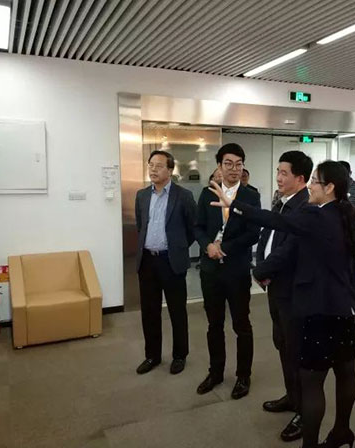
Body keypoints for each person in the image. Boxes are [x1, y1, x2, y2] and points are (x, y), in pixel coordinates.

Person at [209, 160, 355, 448]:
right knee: (345, 373)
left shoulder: (317, 215)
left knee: (312, 383)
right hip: (347, 310)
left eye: (315, 181)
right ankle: (342, 431)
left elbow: (276, 221)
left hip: (320, 311)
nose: (311, 186)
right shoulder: (346, 213)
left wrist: (235, 205)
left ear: (330, 187)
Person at [194, 143, 261, 400]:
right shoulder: (206, 193)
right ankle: (216, 372)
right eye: (228, 164)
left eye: (239, 164)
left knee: (241, 324)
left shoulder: (250, 196)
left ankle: (243, 376)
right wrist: (208, 245)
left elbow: (253, 233)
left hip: (237, 269)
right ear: (219, 166)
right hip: (210, 270)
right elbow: (198, 227)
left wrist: (224, 248)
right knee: (214, 324)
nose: (234, 169)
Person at [255, 151, 313, 443]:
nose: (278, 177)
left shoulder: (305, 208)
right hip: (276, 288)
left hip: (293, 292)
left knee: (297, 351)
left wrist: (261, 270)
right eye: (277, 171)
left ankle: (305, 411)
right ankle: (292, 397)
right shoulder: (282, 202)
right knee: (282, 344)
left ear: (300, 178)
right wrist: (262, 267)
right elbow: (267, 238)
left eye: (284, 173)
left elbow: (289, 250)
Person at [134, 150, 197, 375]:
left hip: (171, 261)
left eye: (159, 166)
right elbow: (141, 225)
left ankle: (180, 355)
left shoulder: (184, 196)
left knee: (177, 311)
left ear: (170, 170)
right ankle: (152, 355)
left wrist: (178, 248)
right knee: (149, 312)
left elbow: (192, 229)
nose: (153, 169)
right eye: (151, 165)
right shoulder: (142, 195)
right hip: (147, 261)